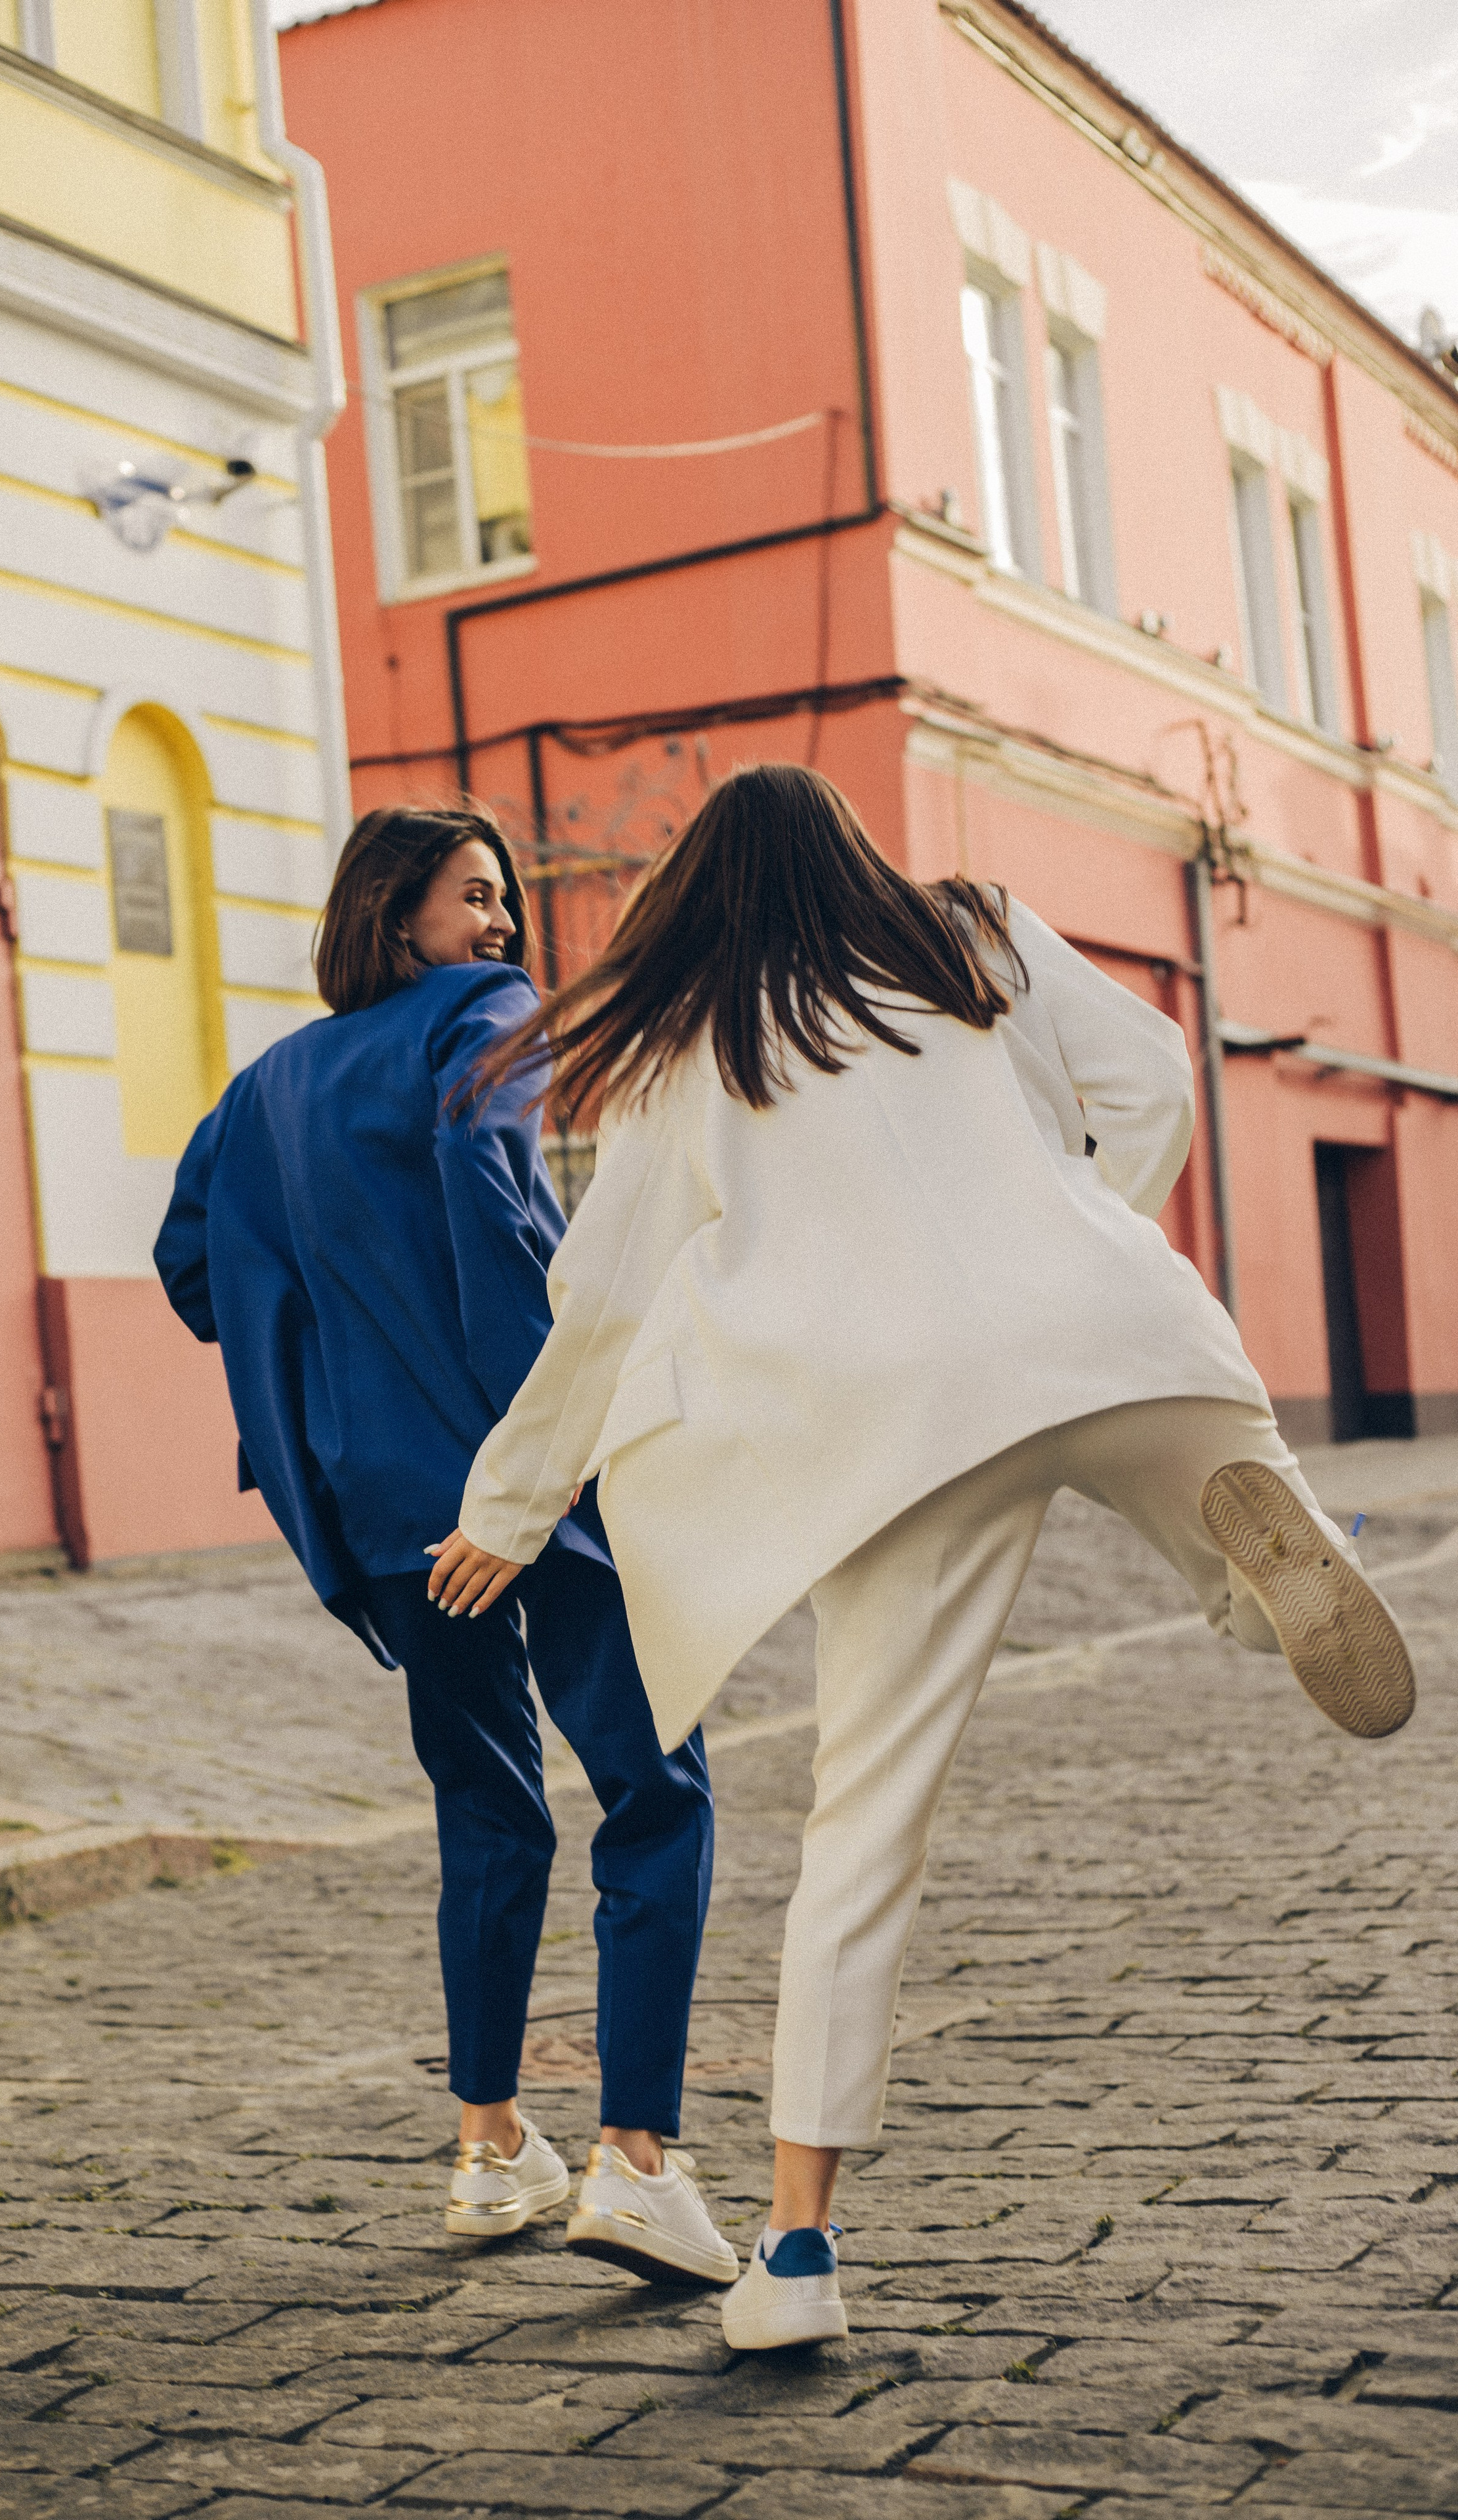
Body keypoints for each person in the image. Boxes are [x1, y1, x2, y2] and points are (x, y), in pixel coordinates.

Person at [425, 763, 1416, 2353]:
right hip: (1117, 1336)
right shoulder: (976, 935)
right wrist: (1076, 1226)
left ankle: (799, 2254)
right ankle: (1248, 1558)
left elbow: (599, 1301)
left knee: (860, 1827)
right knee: (1225, 1509)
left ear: (705, 895)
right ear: (853, 855)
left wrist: (507, 1508)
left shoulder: (696, 1040)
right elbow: (1156, 1075)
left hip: (893, 1435)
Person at [154, 802, 735, 2285]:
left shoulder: (263, 1086)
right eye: (472, 896)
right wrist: (534, 1455)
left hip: (388, 1512)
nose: (501, 927)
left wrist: (325, 1361)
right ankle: (634, 2165)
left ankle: (487, 2149)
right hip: (518, 1476)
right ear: (391, 908)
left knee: (486, 1814)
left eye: (503, 904)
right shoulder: (484, 1014)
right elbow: (491, 1203)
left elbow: (189, 1267)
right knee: (652, 1794)